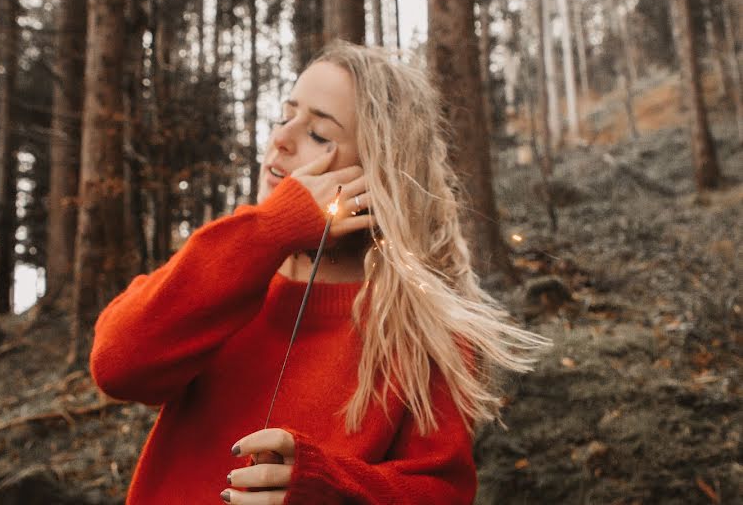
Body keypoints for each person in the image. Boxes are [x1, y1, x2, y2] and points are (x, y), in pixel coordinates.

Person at [89, 40, 549, 504]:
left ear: (379, 171)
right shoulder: (228, 263)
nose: (282, 139)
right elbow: (117, 366)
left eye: (320, 135)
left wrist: (325, 488)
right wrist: (270, 230)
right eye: (285, 116)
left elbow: (442, 493)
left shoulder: (425, 329)